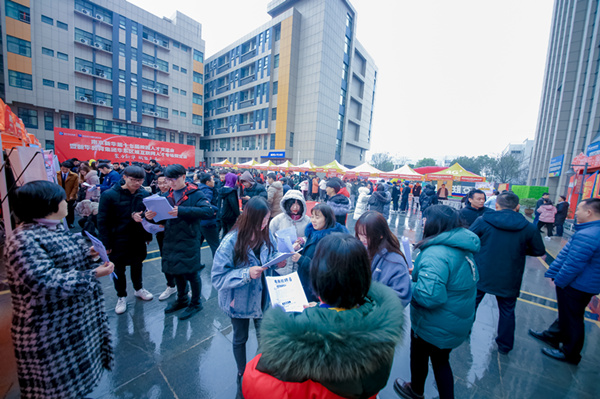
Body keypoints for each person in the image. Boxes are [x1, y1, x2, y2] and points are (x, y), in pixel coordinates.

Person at [242, 234, 405, 399]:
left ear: (319, 278)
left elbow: (253, 380)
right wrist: (322, 311)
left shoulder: (287, 345)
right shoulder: (382, 325)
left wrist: (311, 315)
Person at [5, 180, 114, 398]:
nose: (67, 203)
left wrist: (87, 255)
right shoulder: (24, 239)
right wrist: (93, 274)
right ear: (48, 205)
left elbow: (60, 260)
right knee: (55, 387)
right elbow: (43, 280)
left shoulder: (50, 228)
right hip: (51, 330)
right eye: (62, 199)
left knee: (72, 384)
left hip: (70, 323)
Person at [394, 205, 479, 399]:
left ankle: (416, 390)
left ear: (436, 224)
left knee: (421, 356)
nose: (423, 223)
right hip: (455, 319)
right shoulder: (462, 247)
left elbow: (429, 296)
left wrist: (408, 283)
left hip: (434, 323)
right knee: (441, 360)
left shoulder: (436, 253)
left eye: (426, 219)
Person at [211, 197, 283, 389]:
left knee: (264, 337)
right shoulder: (230, 242)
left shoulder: (266, 234)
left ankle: (260, 371)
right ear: (250, 218)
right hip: (239, 302)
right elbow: (218, 278)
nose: (265, 224)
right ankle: (242, 371)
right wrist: (246, 273)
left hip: (263, 297)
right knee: (240, 337)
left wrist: (279, 260)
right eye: (262, 220)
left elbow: (273, 253)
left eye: (267, 219)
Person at [470, 192, 546, 354]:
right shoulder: (528, 226)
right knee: (507, 310)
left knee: (472, 303)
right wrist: (519, 250)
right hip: (511, 274)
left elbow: (470, 239)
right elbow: (539, 250)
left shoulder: (483, 220)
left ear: (496, 205)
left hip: (483, 270)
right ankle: (504, 345)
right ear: (518, 207)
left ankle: (464, 330)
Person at [528, 198, 600, 365]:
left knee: (573, 319)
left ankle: (570, 353)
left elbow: (573, 264)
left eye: (579, 210)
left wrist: (560, 281)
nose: (575, 213)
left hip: (577, 284)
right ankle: (552, 335)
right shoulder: (591, 230)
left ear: (589, 212)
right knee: (568, 314)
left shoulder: (589, 234)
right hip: (583, 283)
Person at [146, 164, 215, 320]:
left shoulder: (195, 193)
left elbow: (208, 211)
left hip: (189, 238)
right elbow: (163, 216)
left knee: (192, 273)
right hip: (171, 238)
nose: (171, 183)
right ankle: (182, 299)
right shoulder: (167, 195)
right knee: (176, 271)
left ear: (183, 177)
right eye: (168, 180)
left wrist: (182, 211)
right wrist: (150, 215)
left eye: (174, 179)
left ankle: (196, 303)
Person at [98, 166, 154, 314]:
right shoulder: (109, 195)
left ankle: (138, 289)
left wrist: (147, 235)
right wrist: (106, 244)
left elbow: (147, 216)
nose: (137, 183)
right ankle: (121, 296)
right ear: (125, 177)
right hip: (117, 238)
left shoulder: (143, 194)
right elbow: (102, 221)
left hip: (137, 237)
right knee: (118, 269)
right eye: (134, 180)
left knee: (137, 265)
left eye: (140, 180)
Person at [291, 204, 349, 302]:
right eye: (312, 216)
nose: (313, 220)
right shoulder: (313, 232)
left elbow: (324, 269)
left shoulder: (330, 240)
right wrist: (301, 247)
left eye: (317, 217)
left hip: (316, 288)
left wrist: (301, 259)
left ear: (327, 219)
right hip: (306, 282)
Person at [356, 211, 412, 307]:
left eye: (366, 236)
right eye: (359, 234)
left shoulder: (394, 261)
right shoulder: (360, 251)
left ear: (381, 234)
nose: (362, 239)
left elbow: (401, 297)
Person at [269, 189, 311, 275]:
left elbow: (312, 239)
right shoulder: (277, 220)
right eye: (292, 204)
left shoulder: (308, 221)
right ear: (286, 204)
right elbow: (269, 240)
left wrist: (303, 240)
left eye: (298, 204)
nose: (295, 208)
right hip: (281, 267)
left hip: (299, 267)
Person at [153, 175, 177, 301]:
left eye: (164, 183)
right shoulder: (155, 197)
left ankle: (184, 287)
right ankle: (170, 285)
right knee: (165, 259)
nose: (162, 186)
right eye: (159, 183)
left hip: (176, 233)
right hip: (161, 233)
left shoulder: (176, 196)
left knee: (178, 260)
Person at [197, 172, 221, 258]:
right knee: (215, 245)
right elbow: (205, 204)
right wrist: (216, 209)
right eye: (212, 180)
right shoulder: (207, 191)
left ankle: (196, 264)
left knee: (197, 244)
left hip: (200, 221)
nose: (214, 181)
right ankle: (218, 266)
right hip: (208, 221)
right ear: (207, 182)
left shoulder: (198, 188)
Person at [57, 161, 79, 228]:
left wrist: (72, 195)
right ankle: (61, 223)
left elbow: (75, 187)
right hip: (60, 195)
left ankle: (70, 222)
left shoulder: (74, 175)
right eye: (63, 169)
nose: (65, 171)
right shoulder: (57, 174)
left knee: (69, 210)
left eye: (67, 169)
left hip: (69, 195)